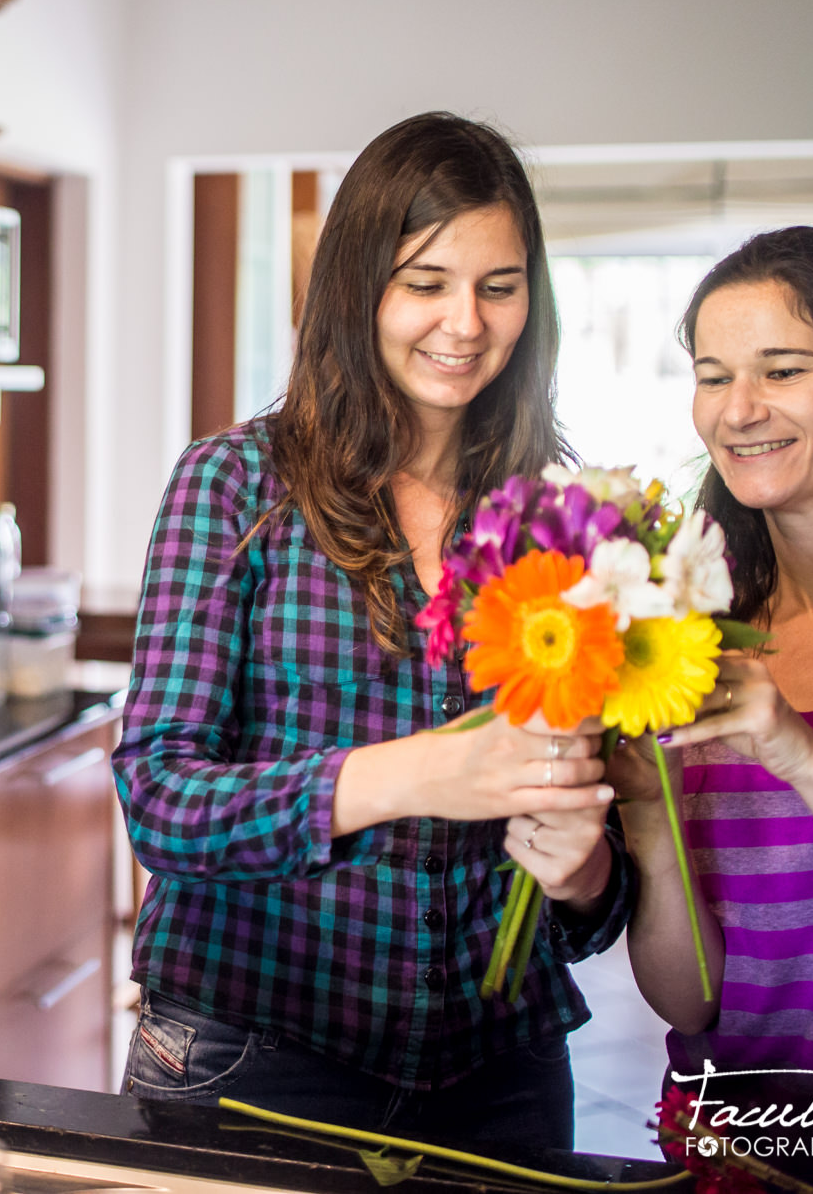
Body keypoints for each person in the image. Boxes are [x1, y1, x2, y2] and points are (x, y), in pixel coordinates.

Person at [113, 112, 630, 1151]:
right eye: (424, 281)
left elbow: (588, 862)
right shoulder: (235, 485)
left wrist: (584, 879)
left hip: (502, 1070)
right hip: (254, 1050)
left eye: (498, 285)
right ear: (358, 290)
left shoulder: (562, 514)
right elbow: (158, 799)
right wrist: (411, 777)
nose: (465, 323)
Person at [613, 227, 813, 1187]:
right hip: (733, 1159)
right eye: (713, 376)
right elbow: (693, 1005)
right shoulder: (692, 641)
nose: (739, 410)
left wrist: (805, 754)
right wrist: (648, 817)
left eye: (781, 369)